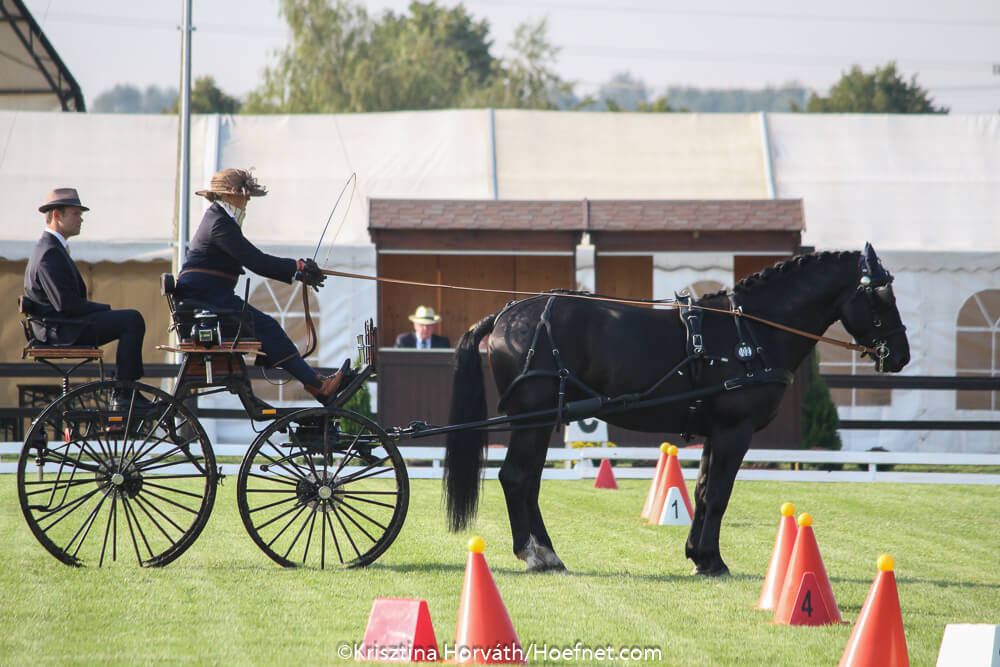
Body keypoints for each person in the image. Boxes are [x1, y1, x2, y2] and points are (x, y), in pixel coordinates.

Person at [175, 168, 355, 405]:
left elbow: (253, 259)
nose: (247, 201)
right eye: (244, 196)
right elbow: (256, 260)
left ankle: (316, 383)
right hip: (207, 301)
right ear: (228, 196)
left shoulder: (219, 219)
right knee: (267, 327)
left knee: (266, 327)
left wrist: (298, 271)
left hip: (211, 299)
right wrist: (298, 268)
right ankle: (317, 385)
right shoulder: (220, 223)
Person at [24, 188, 148, 408]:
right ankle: (125, 392)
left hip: (61, 325)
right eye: (75, 213)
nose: (81, 219)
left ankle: (125, 389)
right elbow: (66, 305)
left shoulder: (51, 248)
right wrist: (103, 308)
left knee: (129, 319)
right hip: (62, 330)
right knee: (132, 320)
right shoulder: (49, 252)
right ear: (57, 215)